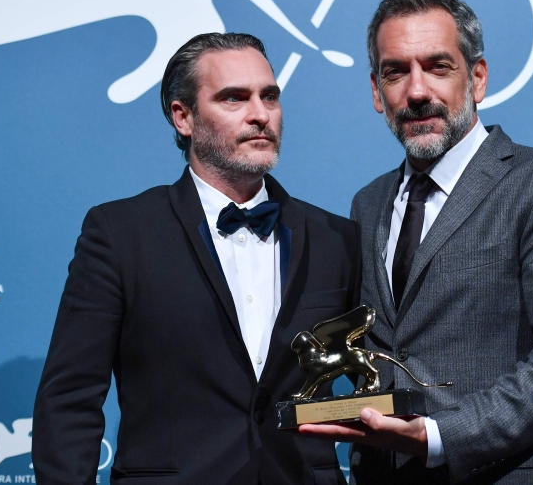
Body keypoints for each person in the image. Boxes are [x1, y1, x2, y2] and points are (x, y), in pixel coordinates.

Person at [300, 0, 533, 484]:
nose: (417, 91)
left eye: (437, 66)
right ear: (377, 92)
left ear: (478, 79)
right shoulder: (368, 203)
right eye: (395, 72)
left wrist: (443, 435)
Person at [33, 32, 361, 485]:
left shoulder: (336, 239)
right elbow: (69, 400)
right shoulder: (121, 234)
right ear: (183, 116)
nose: (260, 115)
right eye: (234, 98)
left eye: (270, 96)